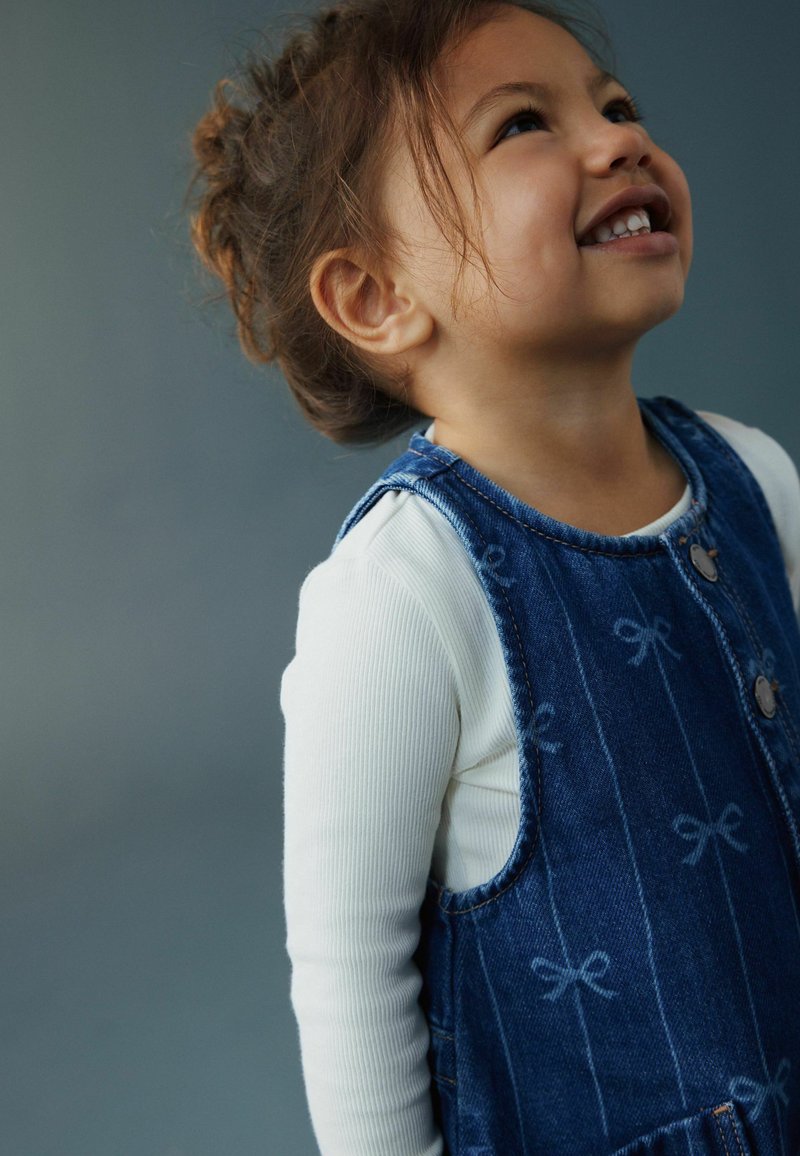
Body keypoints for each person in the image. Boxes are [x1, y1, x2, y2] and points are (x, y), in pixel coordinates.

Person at [185, 1, 800, 1152]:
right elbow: (350, 976)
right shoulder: (406, 592)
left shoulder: (754, 478)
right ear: (376, 297)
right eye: (523, 124)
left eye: (615, 106)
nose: (617, 140)